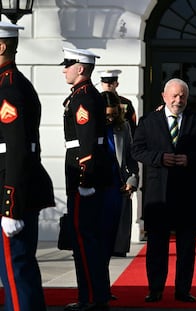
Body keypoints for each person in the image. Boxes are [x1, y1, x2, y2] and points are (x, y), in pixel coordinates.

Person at [132, 78, 196, 303]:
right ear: (164, 96)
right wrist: (159, 158)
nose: (179, 100)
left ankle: (183, 290)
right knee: (157, 246)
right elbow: (137, 150)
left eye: (183, 96)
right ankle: (155, 289)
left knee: (186, 248)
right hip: (159, 195)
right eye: (175, 96)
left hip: (188, 194)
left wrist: (190, 159)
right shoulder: (149, 121)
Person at [0, 21, 55, 311]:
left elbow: (17, 149)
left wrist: (11, 205)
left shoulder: (9, 89)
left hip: (13, 193)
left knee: (15, 269)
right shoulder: (9, 83)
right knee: (19, 270)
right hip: (18, 189)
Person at [60, 47, 113, 311]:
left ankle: (91, 297)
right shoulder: (83, 95)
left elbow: (88, 144)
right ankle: (92, 295)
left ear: (81, 68)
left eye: (68, 65)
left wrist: (85, 181)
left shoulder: (83, 98)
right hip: (84, 176)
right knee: (86, 238)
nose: (64, 69)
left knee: (85, 239)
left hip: (84, 179)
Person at [101, 90, 138, 262]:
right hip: (98, 186)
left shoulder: (123, 127)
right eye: (107, 115)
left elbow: (130, 157)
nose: (110, 118)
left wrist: (132, 180)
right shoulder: (91, 127)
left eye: (114, 114)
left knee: (117, 245)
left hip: (119, 185)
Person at [99, 69, 137, 134]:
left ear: (116, 84)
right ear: (101, 84)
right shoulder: (96, 101)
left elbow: (132, 123)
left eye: (111, 83)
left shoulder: (125, 102)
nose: (108, 85)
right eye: (105, 82)